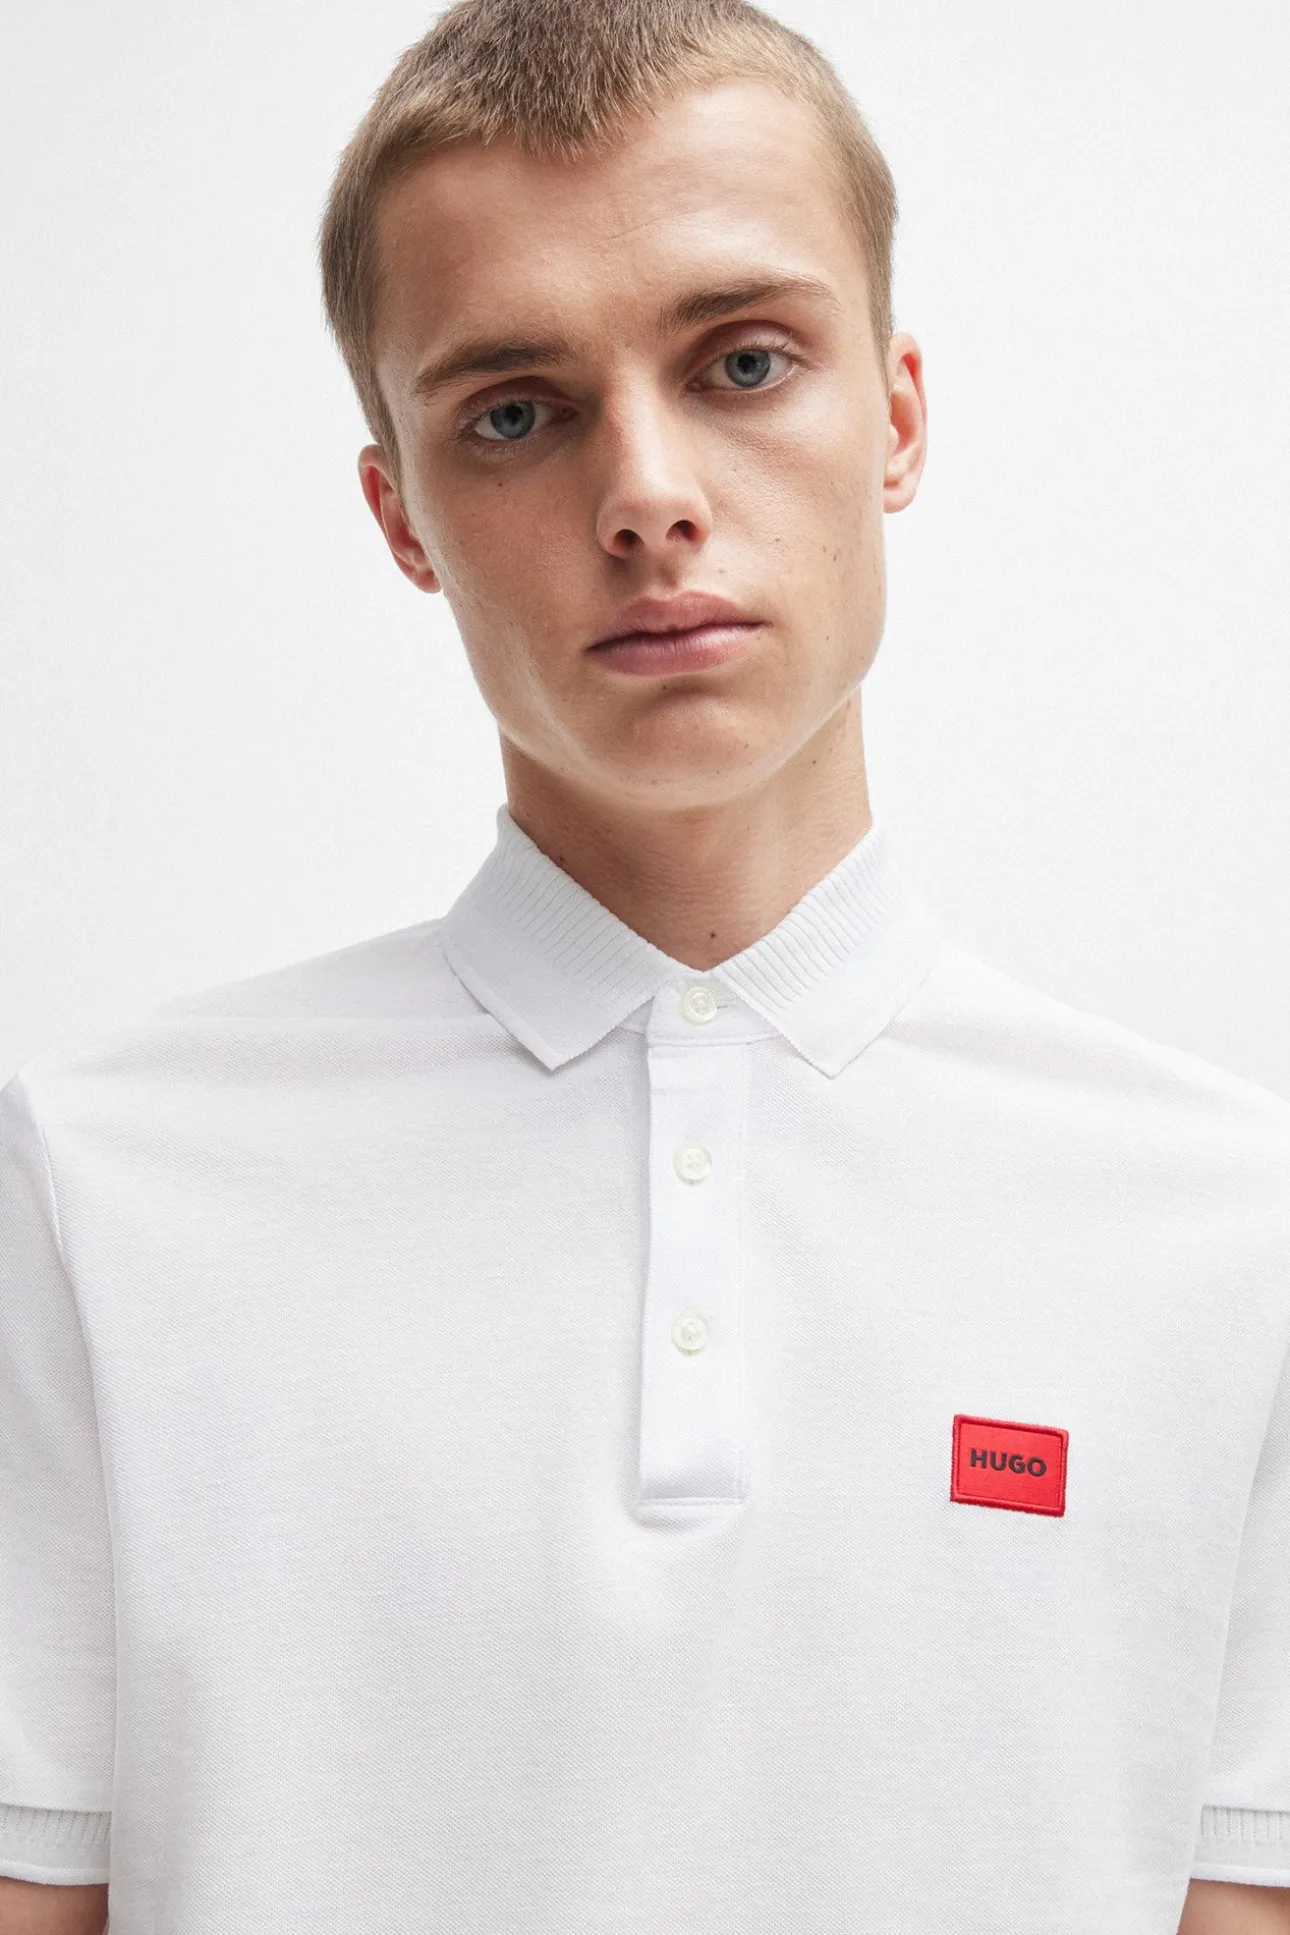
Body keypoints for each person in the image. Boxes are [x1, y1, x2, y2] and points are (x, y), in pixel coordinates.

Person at [2, 1, 1288, 1930]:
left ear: (896, 417)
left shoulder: (1232, 1227)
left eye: (744, 361)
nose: (647, 493)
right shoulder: (99, 1187)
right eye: (513, 411)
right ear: (401, 513)